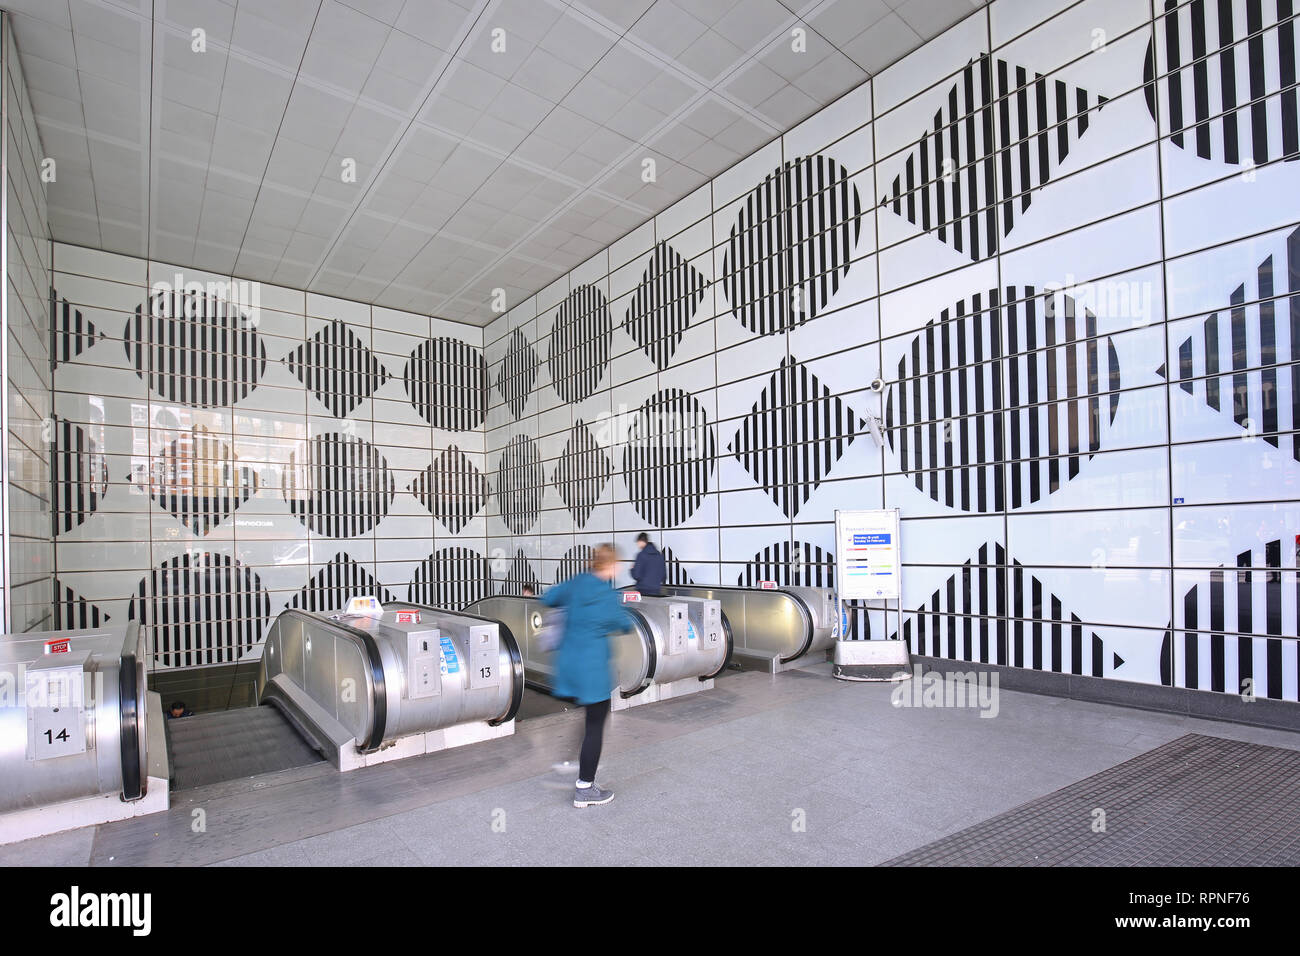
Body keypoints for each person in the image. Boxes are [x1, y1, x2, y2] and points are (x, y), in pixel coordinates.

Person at [542, 544, 630, 807]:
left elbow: (548, 598)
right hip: (593, 671)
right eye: (618, 564)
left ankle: (571, 763)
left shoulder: (577, 582)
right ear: (611, 566)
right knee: (595, 726)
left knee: (588, 718)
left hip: (569, 667)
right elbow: (623, 624)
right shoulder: (605, 594)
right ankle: (585, 788)